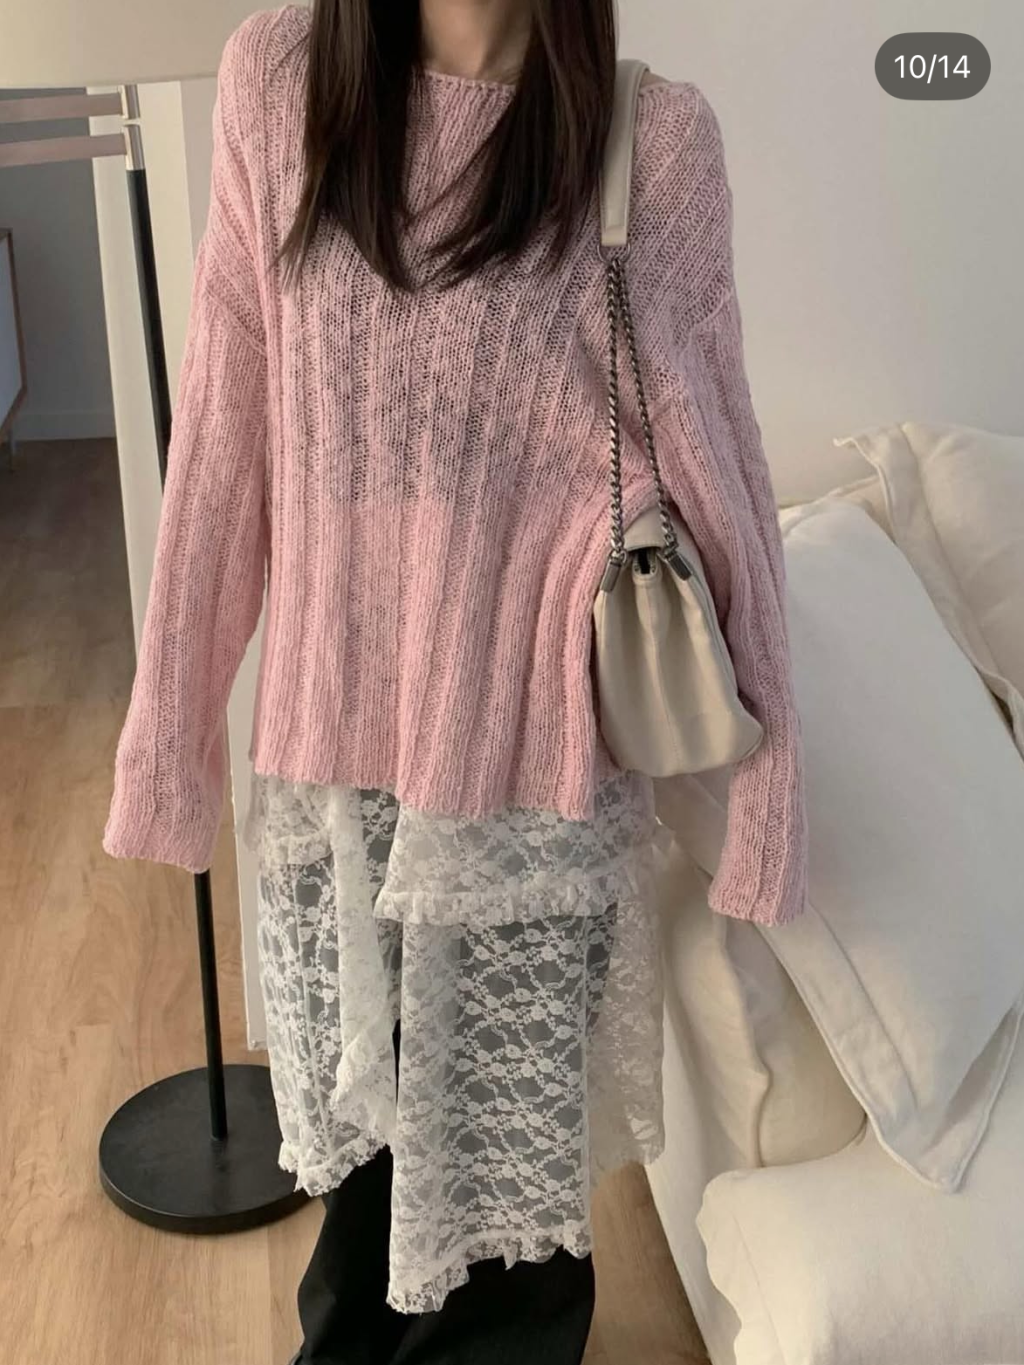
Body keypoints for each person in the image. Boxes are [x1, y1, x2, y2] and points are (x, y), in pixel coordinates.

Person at [102, 1, 808, 1361]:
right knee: (361, 1222)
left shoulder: (652, 144)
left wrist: (770, 802)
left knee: (511, 1262)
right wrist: (168, 742)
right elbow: (227, 436)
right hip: (331, 764)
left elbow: (722, 476)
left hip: (528, 785)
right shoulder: (279, 83)